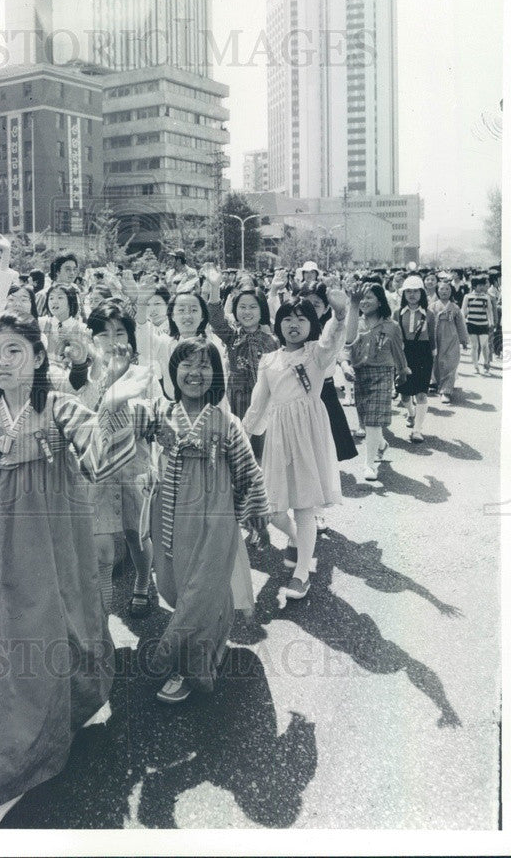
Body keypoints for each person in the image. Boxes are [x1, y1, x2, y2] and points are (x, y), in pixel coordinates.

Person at [0, 313, 150, 829]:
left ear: (35, 358)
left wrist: (114, 402)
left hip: (58, 551)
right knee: (5, 654)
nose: (4, 361)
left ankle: (66, 711)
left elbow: (101, 462)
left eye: (15, 351)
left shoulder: (60, 408)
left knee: (65, 630)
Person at [143, 339, 269, 703]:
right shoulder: (159, 413)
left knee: (201, 591)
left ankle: (184, 665)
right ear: (173, 371)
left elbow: (249, 471)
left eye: (204, 366)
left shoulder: (226, 422)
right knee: (175, 587)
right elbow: (125, 428)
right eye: (186, 365)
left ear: (216, 375)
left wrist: (257, 514)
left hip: (215, 519)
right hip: (168, 515)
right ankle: (211, 642)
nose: (194, 373)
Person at [242, 289, 348, 602]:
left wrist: (340, 315)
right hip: (278, 437)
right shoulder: (269, 360)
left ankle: (302, 573)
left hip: (308, 435)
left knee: (304, 506)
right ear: (278, 323)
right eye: (287, 318)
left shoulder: (317, 352)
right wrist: (243, 434)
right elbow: (258, 404)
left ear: (312, 324)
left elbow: (334, 339)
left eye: (301, 319)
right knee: (273, 510)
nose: (293, 324)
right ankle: (299, 541)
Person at [60, 301, 156, 618]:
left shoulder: (143, 374)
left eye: (120, 332)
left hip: (133, 465)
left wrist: (118, 387)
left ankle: (142, 581)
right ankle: (101, 607)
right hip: (94, 468)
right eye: (103, 333)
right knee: (96, 536)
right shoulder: (80, 376)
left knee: (135, 533)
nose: (112, 341)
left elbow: (144, 423)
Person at [204, 265, 278, 459]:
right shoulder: (232, 335)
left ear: (262, 310)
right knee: (236, 448)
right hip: (235, 399)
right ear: (235, 310)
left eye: (253, 307)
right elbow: (217, 320)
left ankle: (260, 485)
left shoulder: (272, 341)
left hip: (263, 401)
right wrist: (214, 288)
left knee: (261, 449)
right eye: (242, 307)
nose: (247, 311)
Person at [344, 283, 408, 480]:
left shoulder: (392, 326)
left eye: (369, 297)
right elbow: (347, 343)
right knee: (366, 418)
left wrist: (402, 371)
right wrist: (345, 365)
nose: (364, 301)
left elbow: (398, 351)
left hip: (383, 373)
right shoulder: (355, 321)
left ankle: (369, 465)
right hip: (360, 373)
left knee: (373, 419)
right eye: (361, 298)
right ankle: (380, 444)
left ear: (380, 301)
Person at [300, 283, 359, 463]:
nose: (309, 308)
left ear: (326, 307)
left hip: (324, 389)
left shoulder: (327, 327)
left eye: (316, 304)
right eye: (305, 303)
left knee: (328, 441)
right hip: (298, 390)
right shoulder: (292, 328)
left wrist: (341, 313)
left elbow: (340, 339)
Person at [396, 276, 437, 443]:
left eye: (415, 291)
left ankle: (417, 430)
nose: (412, 295)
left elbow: (433, 337)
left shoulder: (429, 313)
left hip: (423, 354)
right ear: (404, 294)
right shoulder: (397, 313)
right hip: (404, 354)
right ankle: (412, 414)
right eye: (408, 291)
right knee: (405, 396)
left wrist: (434, 356)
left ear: (422, 293)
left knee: (421, 393)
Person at [430, 280, 469, 403]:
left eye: (447, 289)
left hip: (451, 339)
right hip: (436, 339)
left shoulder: (455, 307)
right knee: (436, 363)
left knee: (451, 363)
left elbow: (461, 325)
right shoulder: (432, 306)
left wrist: (463, 340)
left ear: (451, 291)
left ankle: (446, 391)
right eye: (441, 289)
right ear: (437, 291)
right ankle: (438, 383)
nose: (444, 291)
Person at [462, 275, 495, 374]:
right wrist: (463, 323)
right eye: (480, 285)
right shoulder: (468, 297)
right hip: (471, 323)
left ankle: (486, 363)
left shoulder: (486, 297)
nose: (482, 287)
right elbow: (463, 311)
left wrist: (491, 323)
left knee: (484, 345)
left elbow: (489, 311)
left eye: (483, 285)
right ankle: (475, 366)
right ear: (474, 286)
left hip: (483, 324)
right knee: (474, 346)